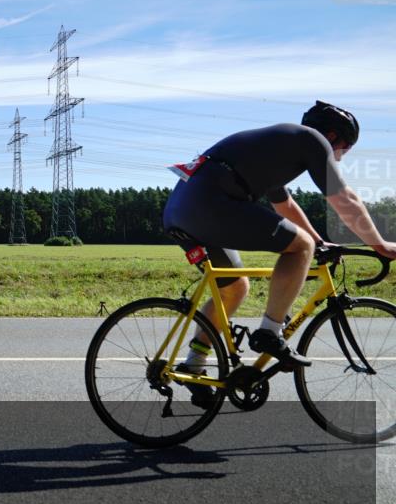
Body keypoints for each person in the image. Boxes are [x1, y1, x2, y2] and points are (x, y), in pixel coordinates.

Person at [162, 101, 396, 408]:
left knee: (235, 288)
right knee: (299, 247)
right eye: (345, 149)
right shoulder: (313, 141)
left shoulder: (276, 149)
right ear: (332, 136)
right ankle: (269, 333)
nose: (340, 156)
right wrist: (380, 244)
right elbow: (344, 199)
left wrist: (319, 241)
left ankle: (194, 363)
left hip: (183, 209)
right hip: (210, 203)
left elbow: (285, 206)